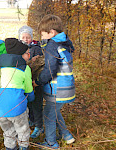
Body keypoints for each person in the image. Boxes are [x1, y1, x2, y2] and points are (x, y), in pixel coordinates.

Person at [33, 14, 76, 149]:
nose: (41, 38)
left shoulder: (52, 46)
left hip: (58, 89)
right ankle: (66, 135)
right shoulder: (64, 42)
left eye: (43, 35)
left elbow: (50, 70)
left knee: (48, 115)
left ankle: (51, 143)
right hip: (67, 87)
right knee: (55, 112)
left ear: (51, 33)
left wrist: (38, 81)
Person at [0, 38, 35, 150]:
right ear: (20, 55)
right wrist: (31, 99)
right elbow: (29, 90)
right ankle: (23, 147)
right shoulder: (25, 69)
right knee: (23, 129)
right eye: (27, 53)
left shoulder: (0, 70)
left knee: (8, 131)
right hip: (16, 107)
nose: (29, 55)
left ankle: (10, 148)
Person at [18, 25, 44, 138]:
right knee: (29, 103)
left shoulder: (36, 48)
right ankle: (32, 120)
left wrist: (32, 61)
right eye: (23, 37)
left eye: (28, 37)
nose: (26, 39)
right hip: (26, 82)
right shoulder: (20, 50)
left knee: (37, 104)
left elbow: (38, 65)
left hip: (36, 82)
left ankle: (39, 126)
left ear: (31, 38)